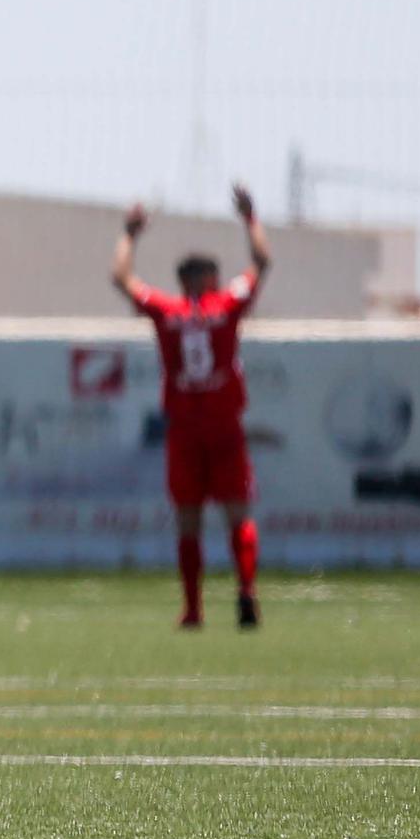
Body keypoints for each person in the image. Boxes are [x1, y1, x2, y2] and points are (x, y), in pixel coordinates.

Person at [110, 184, 272, 630]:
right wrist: (250, 217)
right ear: (208, 279)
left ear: (182, 282)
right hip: (224, 427)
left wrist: (129, 233)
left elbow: (121, 278)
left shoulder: (168, 310)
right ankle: (245, 590)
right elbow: (262, 262)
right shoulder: (227, 303)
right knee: (237, 513)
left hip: (184, 429)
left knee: (188, 520)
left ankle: (194, 609)